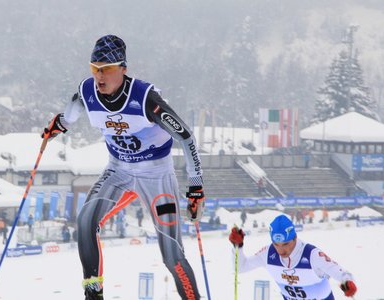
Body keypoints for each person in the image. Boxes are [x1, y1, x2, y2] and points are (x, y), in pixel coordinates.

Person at [41, 34, 205, 300]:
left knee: (172, 255)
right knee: (85, 221)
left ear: (123, 69)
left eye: (106, 69)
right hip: (118, 170)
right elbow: (69, 115)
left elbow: (185, 136)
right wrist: (57, 126)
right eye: (94, 69)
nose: (99, 76)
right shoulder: (87, 91)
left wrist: (196, 186)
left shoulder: (144, 98)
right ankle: (93, 294)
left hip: (156, 176)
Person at [228, 215, 357, 299]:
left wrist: (348, 283)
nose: (281, 250)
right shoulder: (268, 254)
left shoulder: (311, 254)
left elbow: (340, 273)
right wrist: (237, 247)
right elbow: (240, 268)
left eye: (286, 244)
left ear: (295, 238)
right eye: (276, 244)